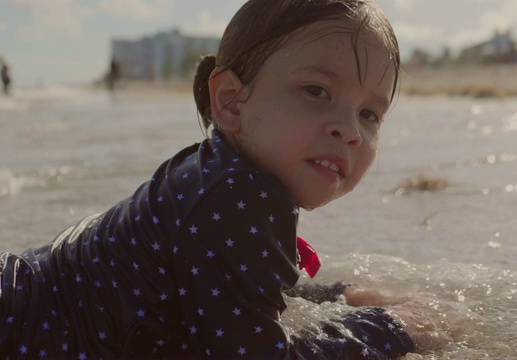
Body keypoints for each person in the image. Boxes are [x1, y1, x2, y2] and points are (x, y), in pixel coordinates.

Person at [0, 0, 449, 358]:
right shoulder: (235, 194)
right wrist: (392, 329)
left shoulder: (217, 173)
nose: (349, 130)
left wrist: (336, 295)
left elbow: (228, 294)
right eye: (317, 91)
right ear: (232, 101)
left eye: (369, 113)